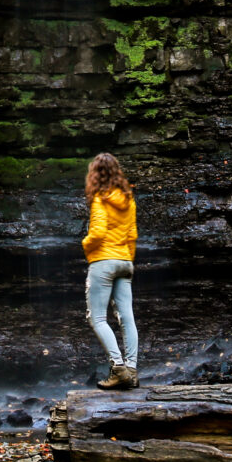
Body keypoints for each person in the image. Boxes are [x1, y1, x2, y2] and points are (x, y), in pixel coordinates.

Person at [81, 151, 139, 391]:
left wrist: (85, 246)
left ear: (95, 174)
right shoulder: (128, 198)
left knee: (97, 318)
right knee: (127, 317)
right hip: (125, 261)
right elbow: (133, 235)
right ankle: (132, 370)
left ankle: (118, 368)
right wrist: (128, 259)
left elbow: (98, 233)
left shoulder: (100, 198)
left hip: (104, 261)